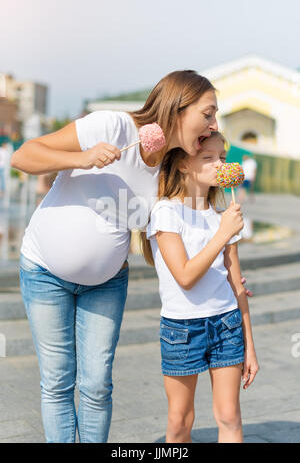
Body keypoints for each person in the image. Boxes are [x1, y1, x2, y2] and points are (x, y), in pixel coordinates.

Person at [10, 70, 252, 443]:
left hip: (106, 281)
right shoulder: (113, 127)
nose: (213, 124)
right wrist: (84, 156)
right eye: (208, 114)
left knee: (97, 386)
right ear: (178, 108)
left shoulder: (171, 167)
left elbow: (188, 222)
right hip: (45, 270)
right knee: (58, 381)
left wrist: (227, 272)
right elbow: (24, 156)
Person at [142, 131, 259, 443]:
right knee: (181, 422)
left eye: (222, 158)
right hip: (182, 330)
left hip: (227, 324)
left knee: (230, 416)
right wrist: (222, 234)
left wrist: (250, 343)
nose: (219, 164)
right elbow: (184, 276)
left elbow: (236, 284)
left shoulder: (223, 215)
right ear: (183, 165)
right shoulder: (166, 211)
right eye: (208, 158)